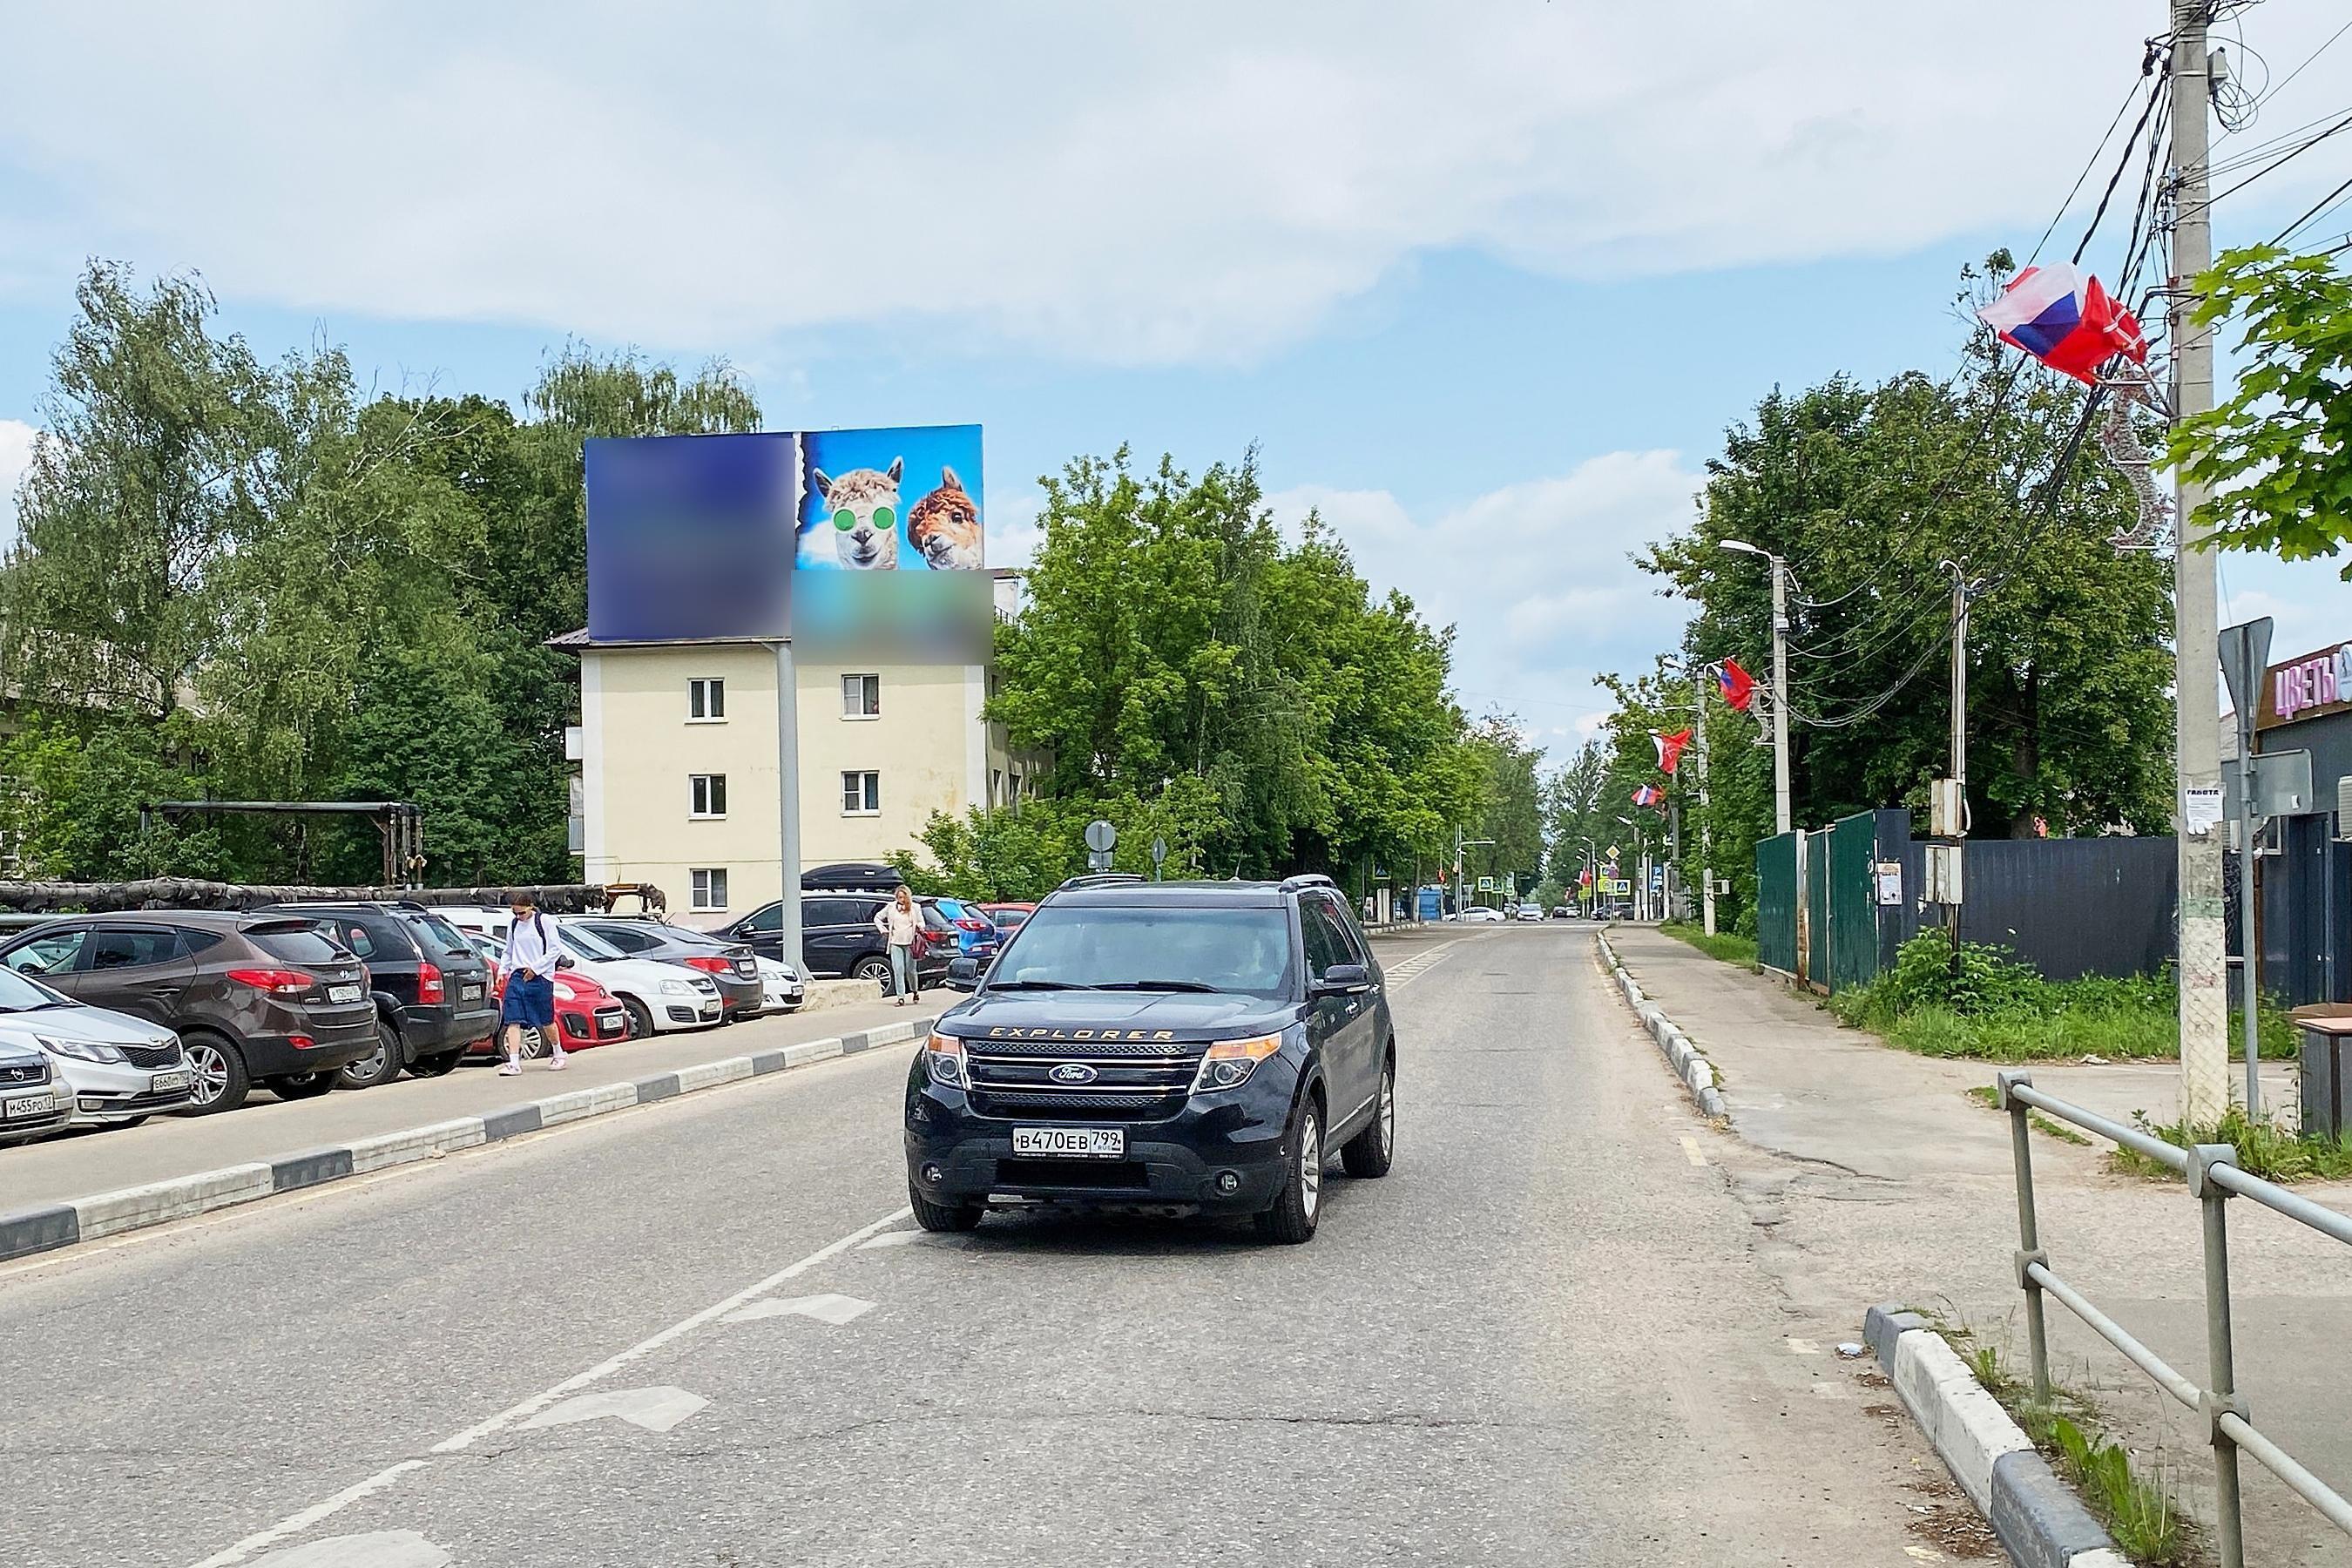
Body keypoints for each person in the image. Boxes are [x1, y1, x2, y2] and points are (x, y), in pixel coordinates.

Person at [499, 892, 565, 1074]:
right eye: (515, 913)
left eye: (521, 913)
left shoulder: (544, 922)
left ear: (530, 907)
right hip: (518, 974)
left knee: (546, 1018)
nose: (519, 917)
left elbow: (555, 950)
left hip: (540, 975)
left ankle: (558, 1052)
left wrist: (535, 969)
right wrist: (502, 971)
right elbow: (508, 950)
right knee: (513, 1019)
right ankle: (514, 1062)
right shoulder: (513, 925)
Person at [875, 885, 922, 1005]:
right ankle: (901, 997)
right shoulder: (891, 907)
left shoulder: (915, 907)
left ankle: (915, 990)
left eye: (903, 897)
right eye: (899, 897)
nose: (901, 900)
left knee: (910, 970)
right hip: (895, 941)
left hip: (910, 942)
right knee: (898, 969)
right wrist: (883, 929)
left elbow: (921, 922)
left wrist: (920, 926)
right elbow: (878, 918)